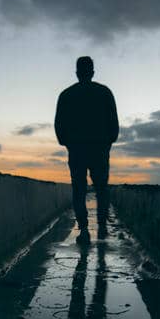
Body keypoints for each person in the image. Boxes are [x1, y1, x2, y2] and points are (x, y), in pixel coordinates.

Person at [54, 56, 119, 244]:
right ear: (92, 72)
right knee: (101, 189)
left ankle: (83, 230)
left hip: (77, 150)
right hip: (99, 149)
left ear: (77, 73)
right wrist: (107, 143)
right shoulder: (104, 92)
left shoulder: (66, 95)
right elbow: (114, 125)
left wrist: (68, 143)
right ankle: (102, 227)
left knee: (79, 189)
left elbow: (59, 125)